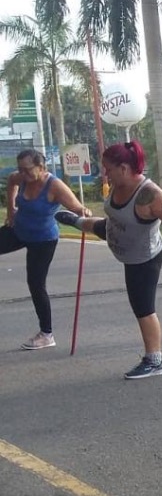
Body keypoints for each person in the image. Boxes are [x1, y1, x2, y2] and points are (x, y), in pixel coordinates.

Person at [55, 141, 162, 378]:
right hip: (116, 232)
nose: (104, 174)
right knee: (97, 225)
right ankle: (77, 222)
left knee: (143, 307)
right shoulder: (118, 185)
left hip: (142, 256)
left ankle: (155, 361)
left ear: (124, 168)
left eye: (108, 169)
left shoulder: (150, 195)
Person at [3, 149, 91, 350]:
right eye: (20, 169)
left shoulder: (55, 186)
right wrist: (10, 211)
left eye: (26, 170)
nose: (22, 174)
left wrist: (83, 213)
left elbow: (77, 207)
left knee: (35, 284)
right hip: (18, 230)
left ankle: (46, 334)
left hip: (43, 240)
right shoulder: (21, 177)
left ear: (41, 167)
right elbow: (11, 181)